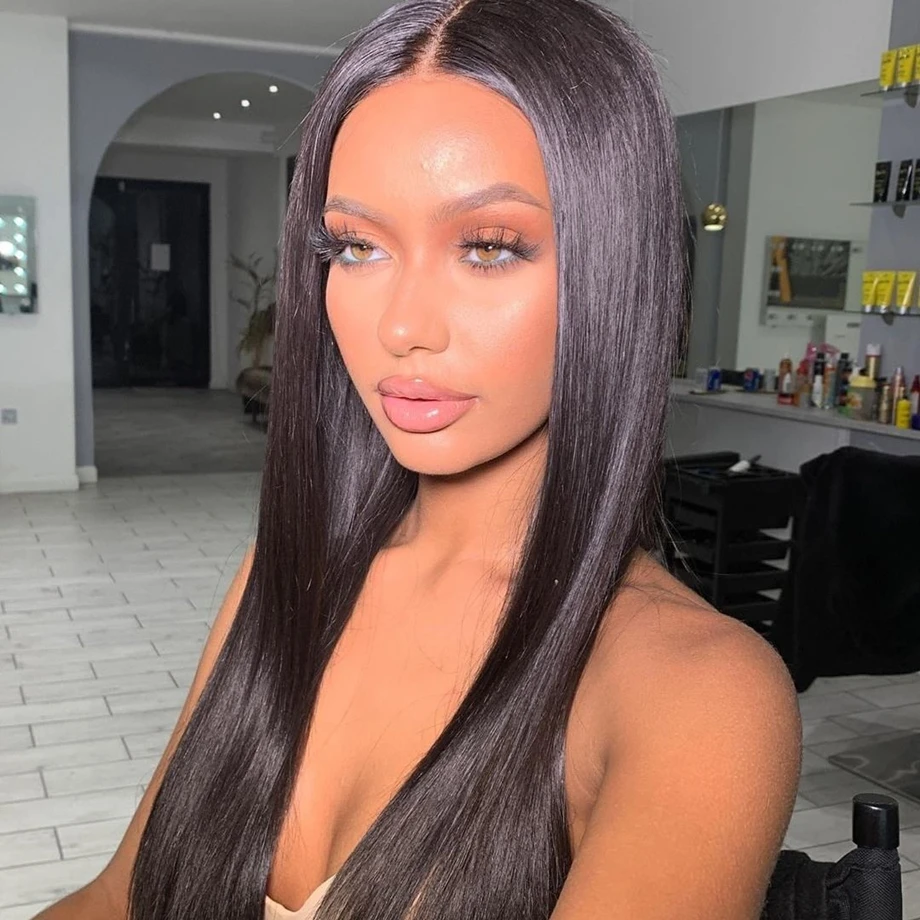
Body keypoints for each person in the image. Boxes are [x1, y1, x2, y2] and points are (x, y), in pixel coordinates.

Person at [37, 0, 801, 917]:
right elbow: (118, 897)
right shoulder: (285, 574)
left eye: (488, 247)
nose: (400, 326)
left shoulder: (693, 695)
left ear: (618, 270)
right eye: (356, 247)